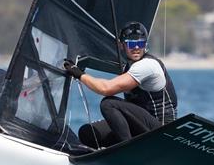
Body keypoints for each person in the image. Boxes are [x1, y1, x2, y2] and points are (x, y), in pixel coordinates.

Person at [63, 21, 178, 149]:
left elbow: (106, 88)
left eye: (140, 43)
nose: (136, 48)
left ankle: (127, 150)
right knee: (88, 133)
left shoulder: (147, 65)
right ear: (121, 45)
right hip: (141, 126)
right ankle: (112, 156)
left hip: (162, 131)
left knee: (108, 104)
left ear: (145, 44)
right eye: (131, 44)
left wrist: (79, 74)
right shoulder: (129, 67)